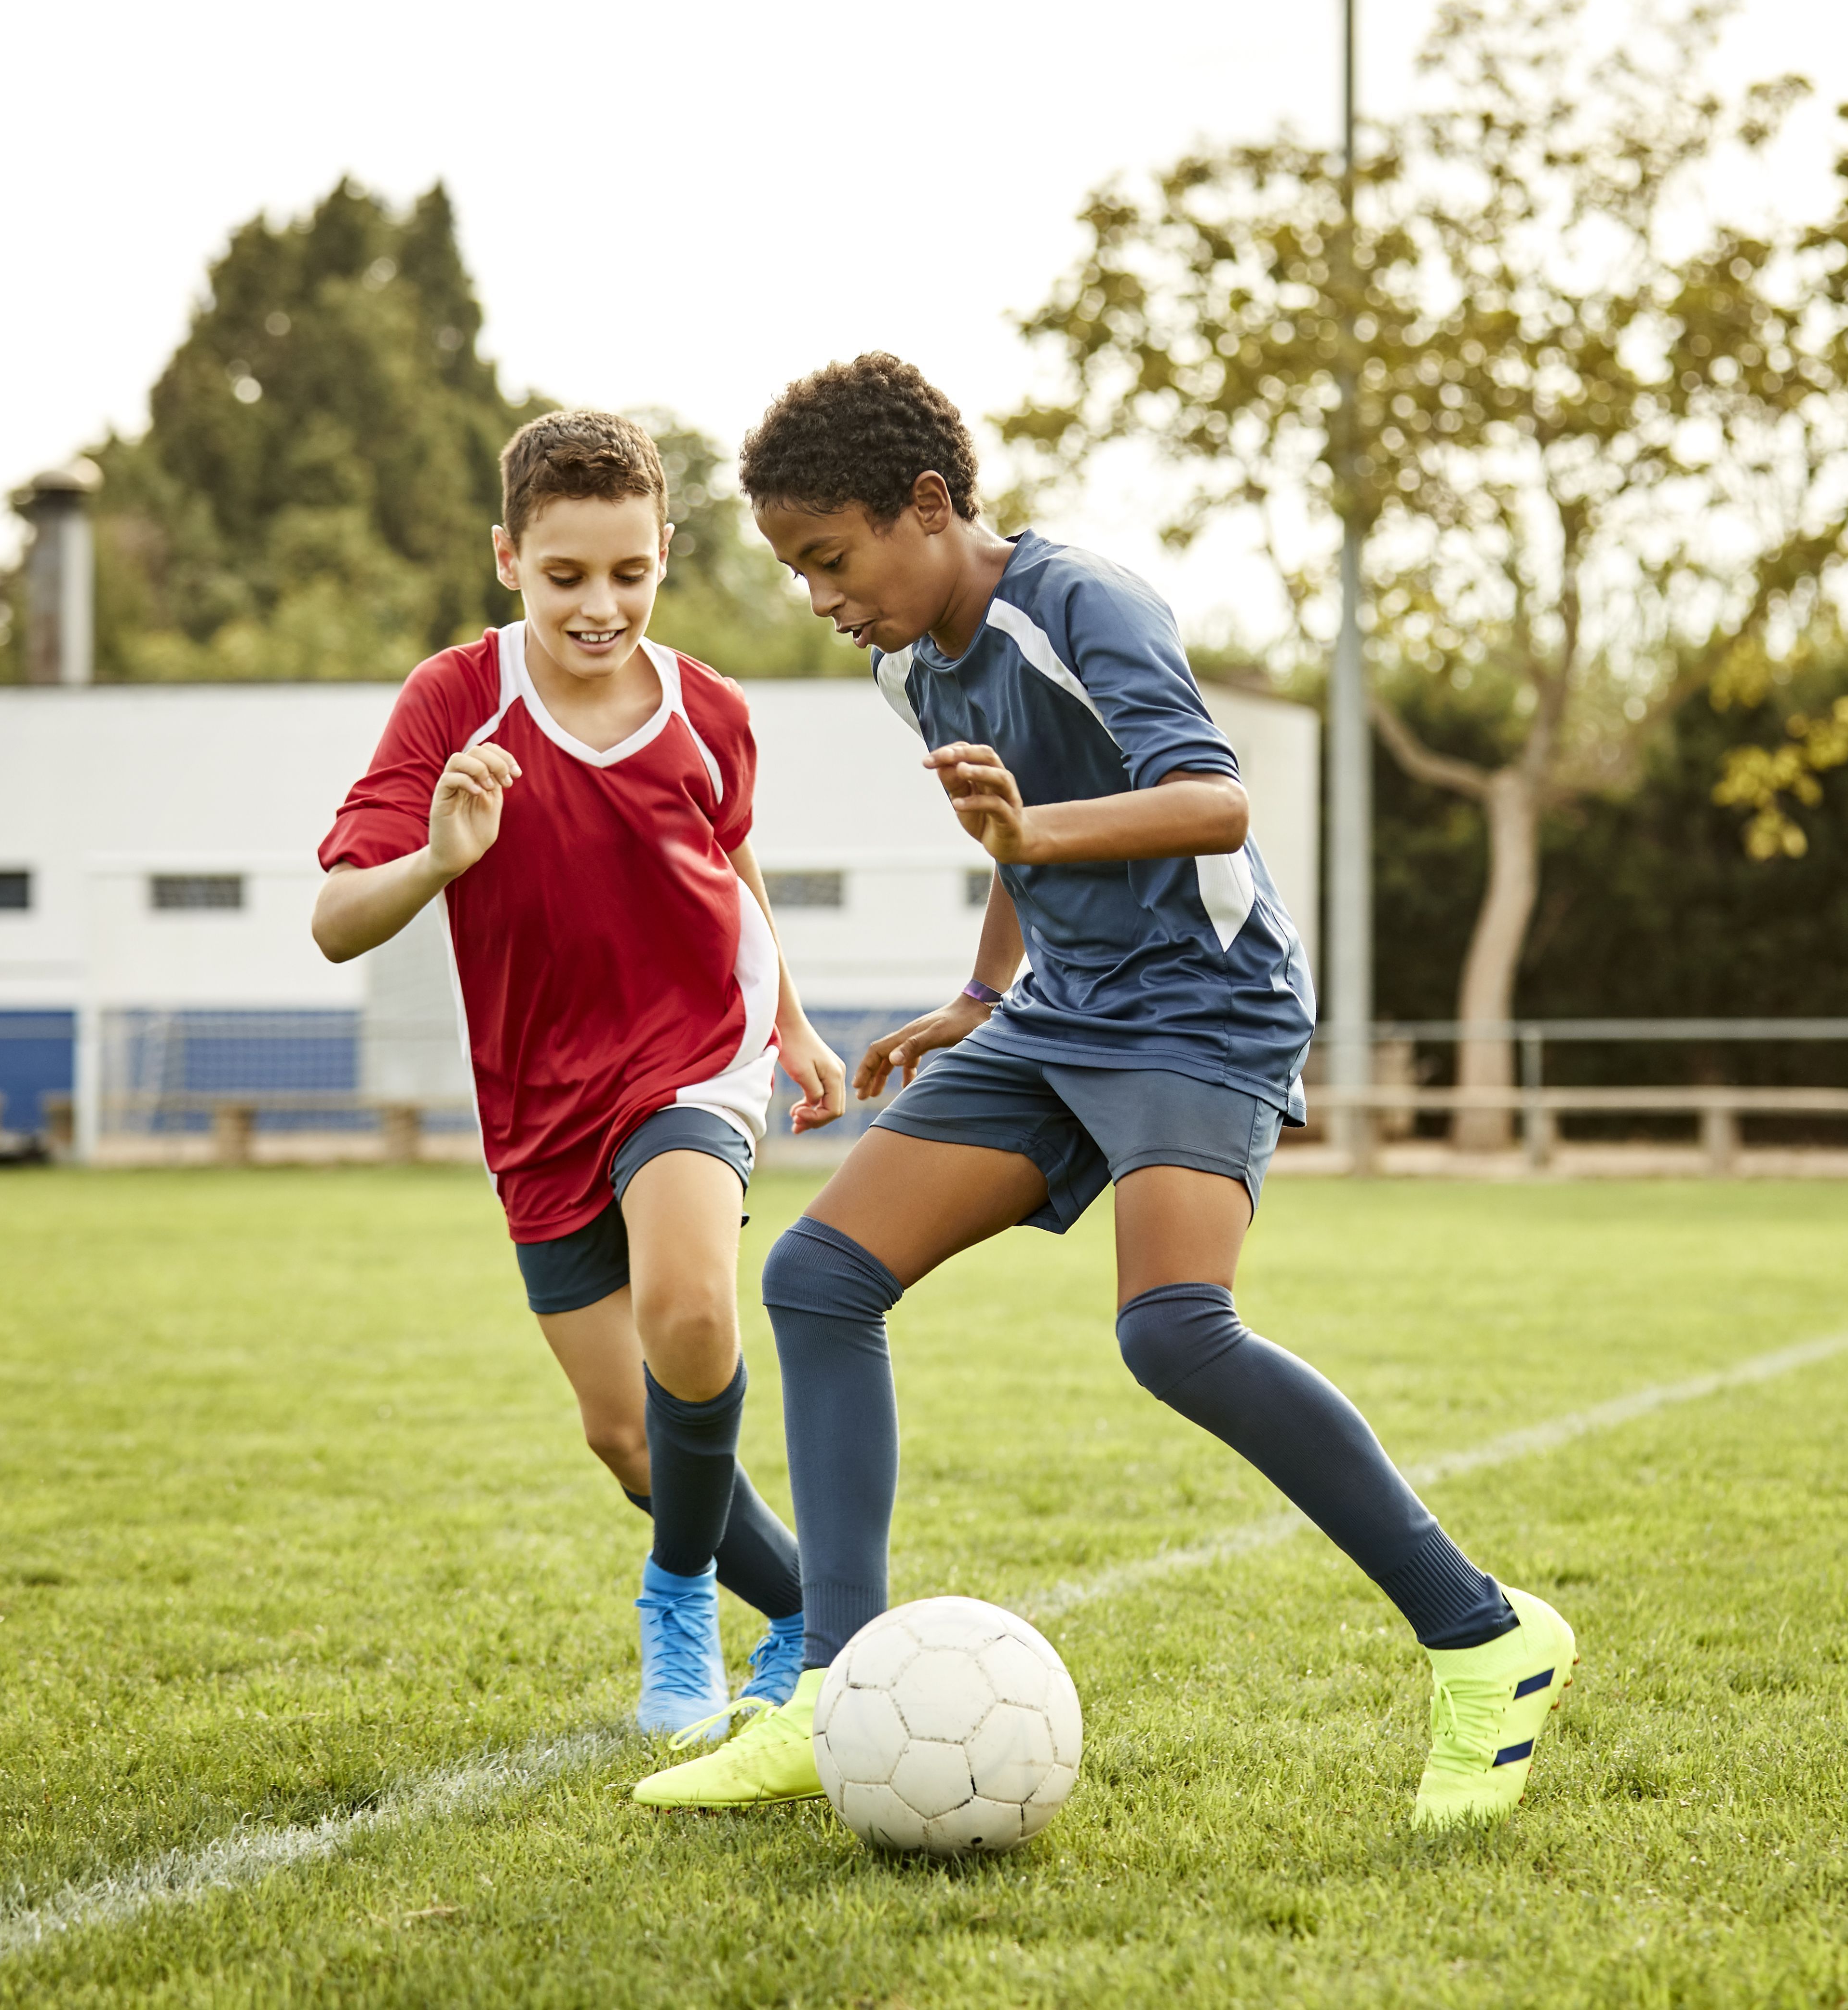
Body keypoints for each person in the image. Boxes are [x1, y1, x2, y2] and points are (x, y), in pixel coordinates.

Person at [633, 354, 1574, 1829]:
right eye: (798, 569)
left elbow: (1213, 799)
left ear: (927, 506)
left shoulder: (1079, 600)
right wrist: (976, 995)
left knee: (1174, 1333)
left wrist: (1037, 833)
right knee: (819, 1277)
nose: (821, 597)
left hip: (1203, 1006)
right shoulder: (905, 659)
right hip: (1059, 1009)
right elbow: (1013, 833)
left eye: (829, 557)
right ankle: (831, 1685)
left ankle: (1486, 1636)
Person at [312, 409, 847, 1738]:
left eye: (629, 572)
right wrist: (439, 859)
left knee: (691, 1309)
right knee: (625, 1437)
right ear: (508, 558)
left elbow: (729, 868)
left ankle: (674, 1599)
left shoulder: (712, 709)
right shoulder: (450, 703)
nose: (599, 605)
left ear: (664, 551)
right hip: (537, 1100)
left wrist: (790, 1022)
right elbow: (334, 922)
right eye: (565, 577)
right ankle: (797, 1610)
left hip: (690, 1060)